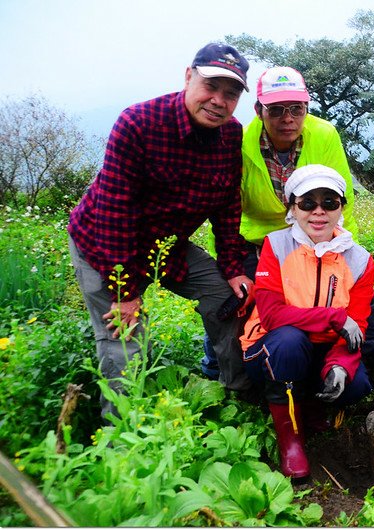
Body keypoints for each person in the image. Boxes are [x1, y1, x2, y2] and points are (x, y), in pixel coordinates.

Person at [67, 43, 253, 419]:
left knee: (226, 304)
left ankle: (243, 402)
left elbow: (228, 206)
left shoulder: (231, 135)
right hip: (104, 244)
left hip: (168, 245)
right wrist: (125, 292)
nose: (218, 100)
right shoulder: (138, 123)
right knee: (124, 336)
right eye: (210, 86)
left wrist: (233, 267)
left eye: (230, 93)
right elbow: (114, 210)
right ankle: (122, 434)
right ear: (188, 77)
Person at [200, 66, 374, 387]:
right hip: (259, 239)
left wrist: (344, 250)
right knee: (239, 304)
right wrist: (232, 266)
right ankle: (220, 368)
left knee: (354, 293)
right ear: (259, 110)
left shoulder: (324, 134)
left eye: (296, 109)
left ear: (306, 108)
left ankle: (370, 357)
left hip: (316, 231)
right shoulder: (240, 143)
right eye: (276, 110)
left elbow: (343, 197)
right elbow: (227, 209)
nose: (287, 118)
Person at [241, 164, 374, 479]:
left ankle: (312, 407)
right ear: (292, 208)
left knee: (357, 384)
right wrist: (331, 316)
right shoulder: (276, 246)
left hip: (321, 351)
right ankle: (291, 440)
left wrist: (339, 365)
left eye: (329, 202)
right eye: (307, 202)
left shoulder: (359, 260)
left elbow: (357, 326)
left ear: (341, 208)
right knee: (289, 341)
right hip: (270, 348)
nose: (318, 212)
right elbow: (272, 315)